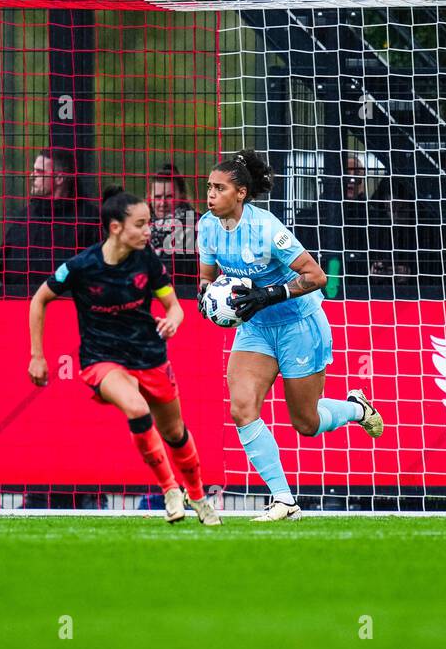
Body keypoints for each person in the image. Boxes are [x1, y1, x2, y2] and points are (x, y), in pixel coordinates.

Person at [198, 149, 384, 522]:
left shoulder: (268, 229)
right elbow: (205, 278)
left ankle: (355, 409)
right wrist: (208, 298)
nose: (210, 195)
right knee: (241, 408)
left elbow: (317, 277)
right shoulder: (206, 227)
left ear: (241, 193)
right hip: (255, 328)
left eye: (219, 188)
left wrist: (268, 294)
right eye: (208, 187)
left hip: (299, 324)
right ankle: (283, 499)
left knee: (306, 423)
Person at [28, 185, 221, 526]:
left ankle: (199, 496)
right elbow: (39, 300)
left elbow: (174, 307)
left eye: (149, 223)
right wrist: (37, 356)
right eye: (141, 224)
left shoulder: (147, 260)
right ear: (116, 227)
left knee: (175, 432)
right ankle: (170, 490)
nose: (149, 230)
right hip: (102, 359)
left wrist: (172, 322)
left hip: (149, 356)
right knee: (135, 407)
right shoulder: (80, 266)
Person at [294, 152, 423, 298]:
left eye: (357, 175)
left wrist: (384, 270)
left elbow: (390, 258)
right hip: (315, 290)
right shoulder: (308, 218)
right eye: (346, 174)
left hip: (361, 291)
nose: (351, 179)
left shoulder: (375, 220)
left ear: (363, 180)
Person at [0, 147, 100, 296]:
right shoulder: (24, 216)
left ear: (59, 178)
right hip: (20, 304)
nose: (32, 176)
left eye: (39, 172)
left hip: (69, 306)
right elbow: (4, 262)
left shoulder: (89, 218)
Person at [147, 163, 199, 295]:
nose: (162, 203)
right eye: (158, 197)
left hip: (185, 296)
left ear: (181, 195)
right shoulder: (142, 224)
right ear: (150, 196)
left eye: (169, 197)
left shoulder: (194, 223)